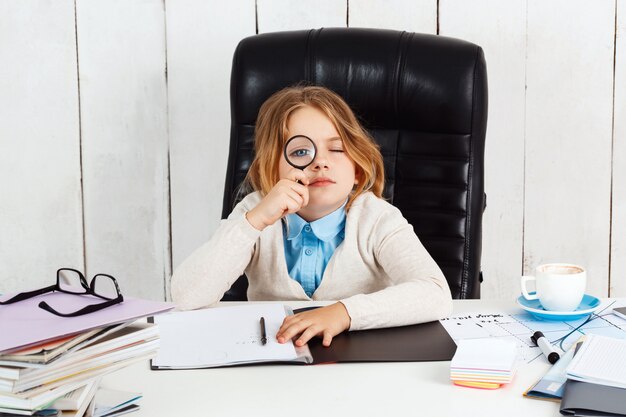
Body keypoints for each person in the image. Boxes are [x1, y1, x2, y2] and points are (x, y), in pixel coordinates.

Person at [171, 85, 452, 348]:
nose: (320, 161)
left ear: (356, 170)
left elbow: (435, 293)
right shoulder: (255, 211)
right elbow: (186, 297)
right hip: (276, 363)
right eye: (301, 151)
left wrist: (344, 312)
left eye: (337, 148)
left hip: (362, 365)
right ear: (271, 170)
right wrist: (253, 223)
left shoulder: (377, 218)